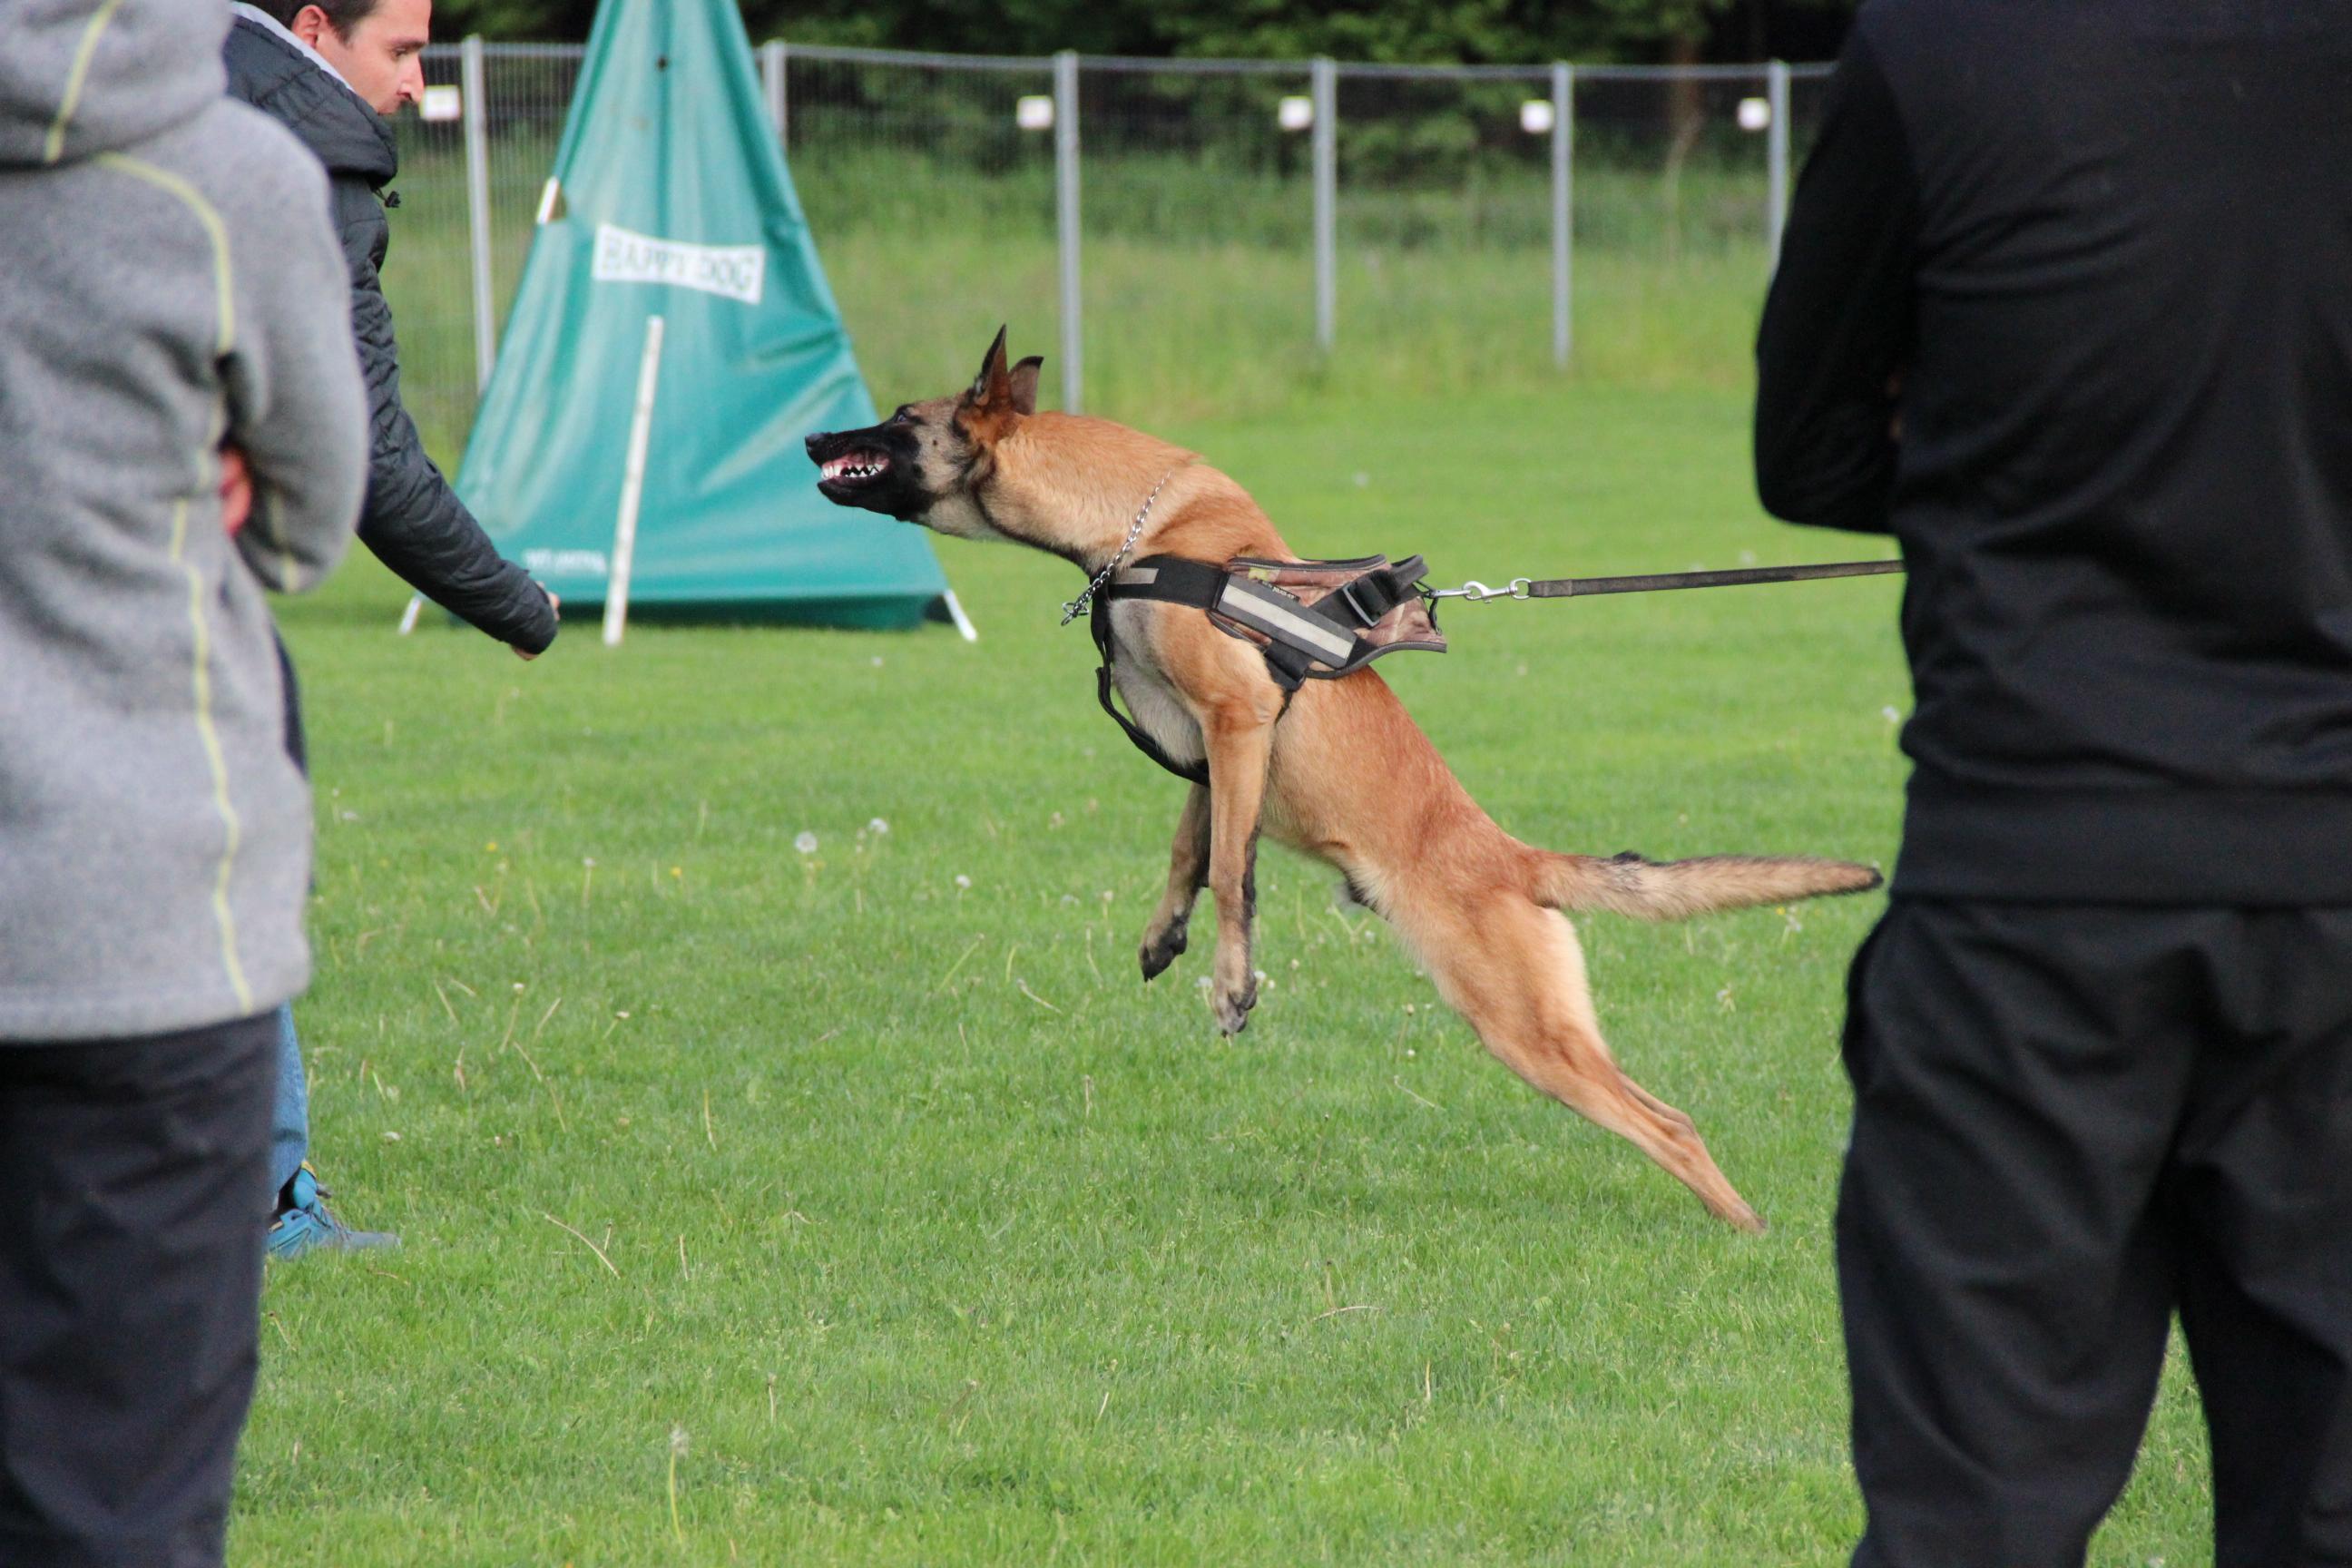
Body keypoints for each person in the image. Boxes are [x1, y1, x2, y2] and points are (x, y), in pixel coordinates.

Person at [1755, 3, 2352, 1563]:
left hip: (2030, 896)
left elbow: (1808, 446)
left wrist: (2016, 464)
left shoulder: (1945, 45)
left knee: (1973, 1518)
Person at [0, 0, 368, 1558]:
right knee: (116, 1508)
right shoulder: (238, 181)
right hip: (139, 935)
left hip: (136, 940)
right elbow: (303, 521)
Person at [222, 0, 564, 1256]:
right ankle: (261, 1199)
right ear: (315, 29)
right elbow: (369, 462)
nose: (420, 83)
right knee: (223, 862)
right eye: (403, 51)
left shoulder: (143, 84)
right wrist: (514, 603)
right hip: (127, 602)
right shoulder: (300, 167)